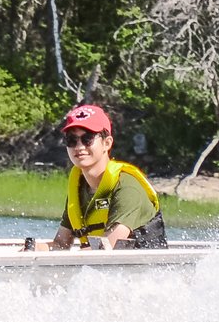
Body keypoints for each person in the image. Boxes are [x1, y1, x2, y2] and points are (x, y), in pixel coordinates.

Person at [41, 103, 166, 250]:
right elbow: (60, 244)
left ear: (107, 143)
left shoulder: (127, 189)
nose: (79, 147)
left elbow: (107, 247)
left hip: (140, 264)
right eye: (71, 140)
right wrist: (31, 249)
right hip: (97, 261)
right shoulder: (79, 189)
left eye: (87, 139)